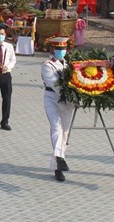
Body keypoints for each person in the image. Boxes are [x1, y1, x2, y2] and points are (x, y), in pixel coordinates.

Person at [41, 37, 73, 182]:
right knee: (56, 127)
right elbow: (55, 85)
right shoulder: (47, 65)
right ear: (52, 50)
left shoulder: (70, 64)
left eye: (63, 49)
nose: (61, 52)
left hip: (67, 102)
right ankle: (59, 158)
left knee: (65, 132)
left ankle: (57, 165)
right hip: (52, 98)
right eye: (58, 49)